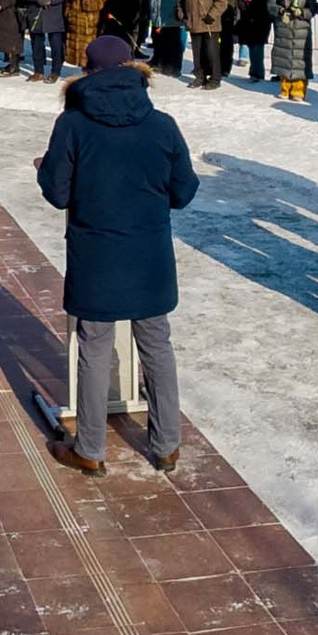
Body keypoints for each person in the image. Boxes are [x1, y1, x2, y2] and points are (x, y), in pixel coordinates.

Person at [35, 35, 200, 476]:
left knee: (93, 347)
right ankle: (166, 445)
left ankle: (90, 448)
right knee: (157, 345)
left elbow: (56, 192)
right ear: (131, 67)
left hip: (97, 252)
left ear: (87, 71)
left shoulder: (72, 124)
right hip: (149, 254)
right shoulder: (161, 123)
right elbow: (184, 191)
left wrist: (49, 168)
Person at [263, 0, 308, 93]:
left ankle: (297, 86)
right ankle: (283, 78)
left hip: (298, 23)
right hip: (281, 17)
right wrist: (278, 9)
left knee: (297, 54)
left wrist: (301, 12)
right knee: (282, 48)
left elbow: (309, 2)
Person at [23, 0, 70, 83]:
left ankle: (55, 71)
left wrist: (51, 0)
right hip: (36, 13)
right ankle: (38, 71)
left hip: (53, 13)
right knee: (37, 44)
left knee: (56, 45)